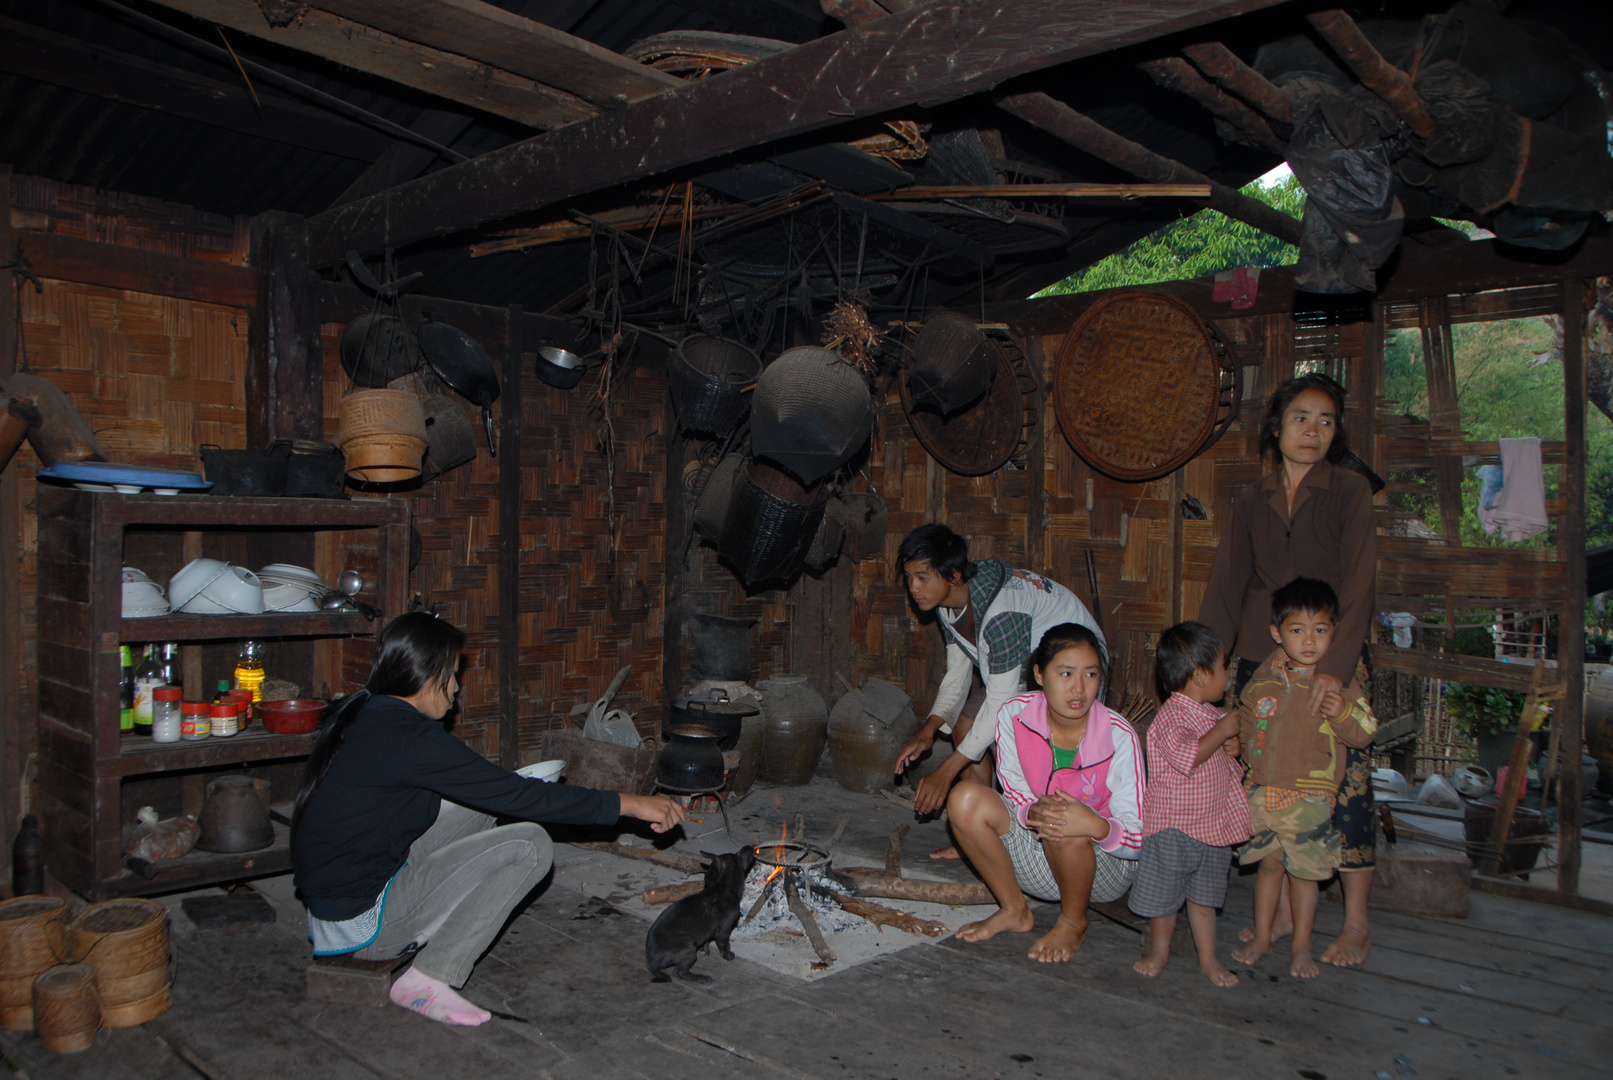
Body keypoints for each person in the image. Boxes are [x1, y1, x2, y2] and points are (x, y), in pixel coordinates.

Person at [291, 612, 685, 1027]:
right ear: (429, 674)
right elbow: (521, 797)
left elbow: (496, 790)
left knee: (486, 801)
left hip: (336, 909)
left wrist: (512, 792)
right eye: (453, 674)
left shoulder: (369, 714)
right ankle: (428, 979)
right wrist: (630, 803)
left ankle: (424, 925)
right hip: (364, 926)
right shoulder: (413, 739)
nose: (457, 688)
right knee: (528, 844)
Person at [1199, 372, 1379, 968]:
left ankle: (1355, 923)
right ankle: (1273, 916)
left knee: (1341, 785)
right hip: (1260, 655)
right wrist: (1211, 668)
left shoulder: (1349, 491)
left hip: (1331, 653)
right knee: (1264, 780)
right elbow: (1228, 583)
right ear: (1276, 428)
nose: (1313, 431)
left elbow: (1360, 582)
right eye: (1301, 417)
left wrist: (1337, 667)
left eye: (1326, 421)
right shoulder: (1253, 499)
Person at [893, 525, 1105, 857]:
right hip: (1026, 672)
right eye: (909, 578)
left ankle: (1033, 844)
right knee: (964, 730)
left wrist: (946, 772)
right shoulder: (948, 604)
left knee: (1033, 753)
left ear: (954, 575)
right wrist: (928, 731)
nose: (914, 588)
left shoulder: (1001, 612)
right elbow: (958, 673)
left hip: (1072, 673)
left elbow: (1001, 702)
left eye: (922, 577)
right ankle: (978, 836)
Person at [946, 624, 1143, 963]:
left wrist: (1095, 825)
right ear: (1039, 674)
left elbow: (1138, 838)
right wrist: (1032, 813)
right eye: (1065, 673)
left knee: (1065, 819)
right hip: (1036, 858)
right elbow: (1016, 792)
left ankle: (1073, 921)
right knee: (964, 798)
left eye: (1090, 674)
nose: (1079, 688)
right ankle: (1014, 908)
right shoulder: (1014, 715)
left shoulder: (1119, 735)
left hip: (1101, 870)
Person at [1230, 578, 1376, 980]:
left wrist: (1341, 712)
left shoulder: (1340, 686)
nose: (1309, 641)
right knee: (1269, 867)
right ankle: (1263, 936)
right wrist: (1235, 743)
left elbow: (1365, 731)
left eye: (1321, 630)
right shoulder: (1264, 680)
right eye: (1297, 630)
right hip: (1263, 792)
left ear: (1335, 632)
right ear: (1278, 633)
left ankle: (1301, 947)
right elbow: (1247, 723)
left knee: (1304, 875)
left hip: (1308, 800)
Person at [1130, 621, 1252, 987]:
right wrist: (1222, 733)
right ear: (1200, 675)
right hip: (1174, 827)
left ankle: (1208, 958)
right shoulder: (1172, 717)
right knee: (1165, 900)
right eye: (1223, 666)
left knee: (1205, 900)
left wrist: (1233, 746)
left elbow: (1221, 759)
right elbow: (1188, 756)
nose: (1228, 676)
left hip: (1211, 827)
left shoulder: (1212, 715)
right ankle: (1159, 950)